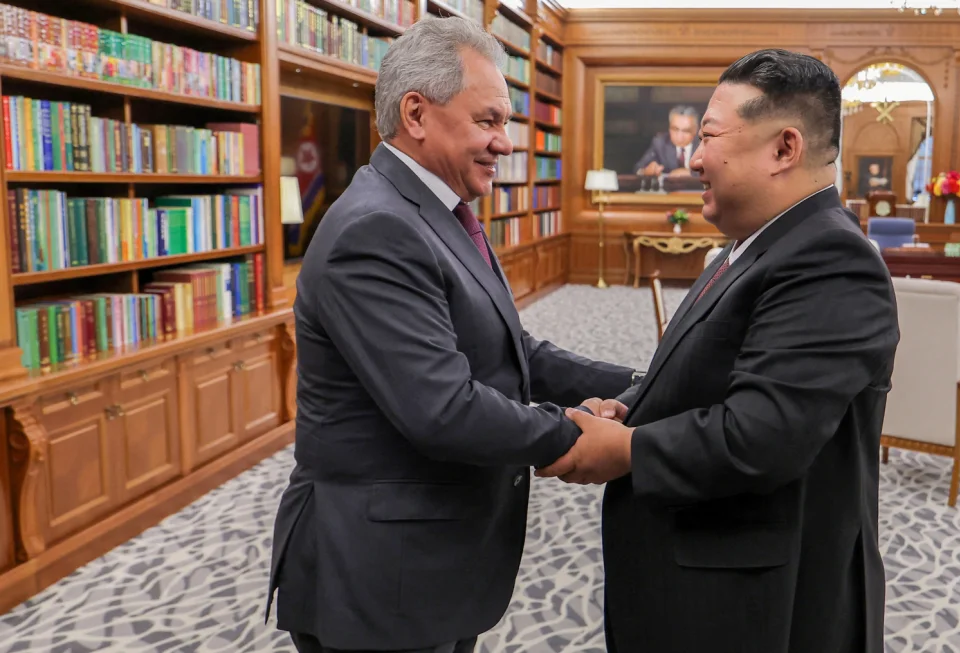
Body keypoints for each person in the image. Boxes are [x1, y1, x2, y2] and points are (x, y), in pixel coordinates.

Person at [265, 16, 635, 653]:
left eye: (508, 123)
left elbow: (514, 353)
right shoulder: (375, 230)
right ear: (416, 113)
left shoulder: (437, 210)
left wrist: (641, 385)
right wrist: (578, 435)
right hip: (380, 575)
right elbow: (442, 408)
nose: (508, 143)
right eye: (489, 121)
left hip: (426, 564)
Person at [538, 49, 900, 653]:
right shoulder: (755, 244)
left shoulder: (830, 261)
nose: (695, 159)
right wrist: (630, 405)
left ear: (784, 148)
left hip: (761, 606)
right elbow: (701, 369)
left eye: (708, 137)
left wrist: (627, 450)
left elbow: (764, 433)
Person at [633, 105, 701, 177]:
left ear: (695, 130)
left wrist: (691, 173)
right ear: (669, 128)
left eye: (686, 131)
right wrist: (646, 171)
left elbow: (713, 172)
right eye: (675, 129)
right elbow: (638, 168)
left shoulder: (705, 144)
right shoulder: (660, 143)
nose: (679, 136)